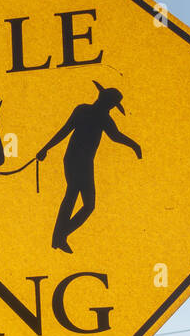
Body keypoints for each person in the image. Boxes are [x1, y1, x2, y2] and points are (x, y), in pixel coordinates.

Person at [37, 81, 142, 253]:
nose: (109, 108)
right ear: (105, 101)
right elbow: (65, 131)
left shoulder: (96, 115)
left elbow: (114, 136)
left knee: (84, 202)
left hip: (82, 162)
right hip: (77, 161)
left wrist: (134, 145)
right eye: (110, 104)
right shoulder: (91, 113)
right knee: (75, 198)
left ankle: (60, 236)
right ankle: (59, 236)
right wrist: (45, 148)